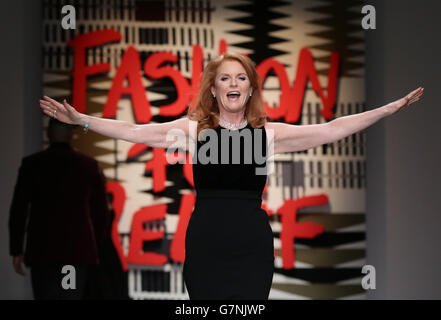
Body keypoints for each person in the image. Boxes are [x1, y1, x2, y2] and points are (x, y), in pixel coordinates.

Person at [39, 53, 424, 300]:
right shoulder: (194, 131)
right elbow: (136, 131)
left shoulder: (268, 135)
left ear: (251, 87)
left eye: (241, 78)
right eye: (225, 78)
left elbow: (331, 129)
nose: (233, 84)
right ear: (214, 88)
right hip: (206, 242)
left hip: (251, 246)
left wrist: (387, 110)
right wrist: (82, 121)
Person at [9, 118, 110, 300]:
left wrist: (16, 249)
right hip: (74, 251)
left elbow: (19, 210)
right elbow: (101, 213)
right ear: (72, 135)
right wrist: (96, 246)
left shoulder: (32, 164)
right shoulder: (88, 166)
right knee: (69, 295)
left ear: (48, 134)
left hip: (42, 250)